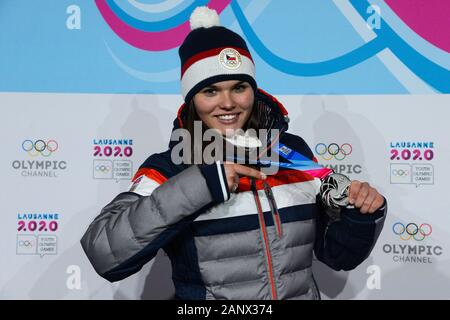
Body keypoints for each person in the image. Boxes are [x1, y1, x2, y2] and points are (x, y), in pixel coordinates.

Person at [80, 7, 387, 300]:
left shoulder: (291, 152)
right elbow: (103, 253)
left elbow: (337, 255)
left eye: (239, 87)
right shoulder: (170, 167)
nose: (227, 103)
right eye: (210, 91)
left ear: (253, 90)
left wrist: (361, 214)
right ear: (191, 99)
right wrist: (203, 183)